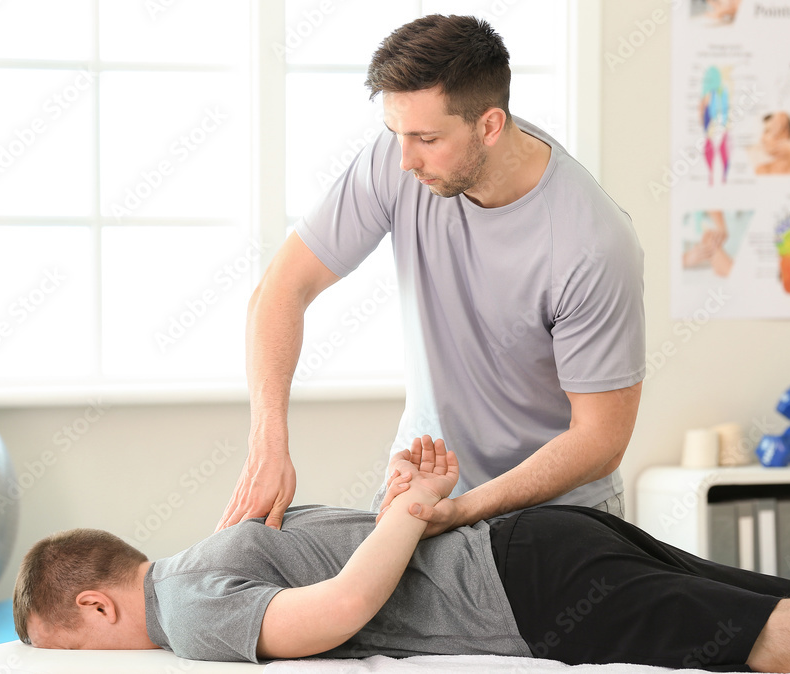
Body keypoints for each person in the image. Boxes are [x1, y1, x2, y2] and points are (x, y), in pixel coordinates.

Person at [217, 14, 646, 537]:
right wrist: (268, 444)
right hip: (424, 487)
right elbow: (282, 289)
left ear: (489, 125)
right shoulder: (399, 160)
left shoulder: (591, 243)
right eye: (395, 132)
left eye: (425, 137)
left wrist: (464, 511)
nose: (404, 161)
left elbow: (600, 441)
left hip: (560, 516)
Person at [19, 437, 790, 671]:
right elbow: (357, 554)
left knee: (789, 642)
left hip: (524, 589)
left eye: (72, 655)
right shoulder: (229, 541)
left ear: (97, 606)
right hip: (538, 541)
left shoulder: (184, 612)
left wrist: (410, 514)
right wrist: (401, 508)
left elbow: (333, 615)